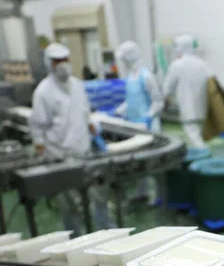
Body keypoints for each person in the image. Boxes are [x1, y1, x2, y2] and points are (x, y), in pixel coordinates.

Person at [29, 42, 111, 234]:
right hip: (60, 157)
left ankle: (106, 233)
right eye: (57, 61)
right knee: (69, 206)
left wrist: (91, 124)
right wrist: (40, 149)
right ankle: (77, 239)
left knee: (98, 197)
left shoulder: (77, 85)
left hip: (84, 152)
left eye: (65, 60)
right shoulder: (43, 92)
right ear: (49, 64)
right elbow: (37, 126)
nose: (63, 64)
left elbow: (84, 111)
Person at [163, 34, 211, 147]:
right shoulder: (203, 63)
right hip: (203, 107)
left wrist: (165, 100)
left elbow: (168, 87)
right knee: (198, 134)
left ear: (182, 47)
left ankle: (203, 156)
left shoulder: (177, 65)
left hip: (188, 107)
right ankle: (202, 154)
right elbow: (212, 83)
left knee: (193, 136)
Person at [114, 40, 164, 132]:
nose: (123, 62)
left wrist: (148, 116)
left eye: (124, 59)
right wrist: (117, 111)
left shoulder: (147, 76)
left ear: (130, 58)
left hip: (149, 126)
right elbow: (130, 100)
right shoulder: (130, 77)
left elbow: (158, 102)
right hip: (133, 123)